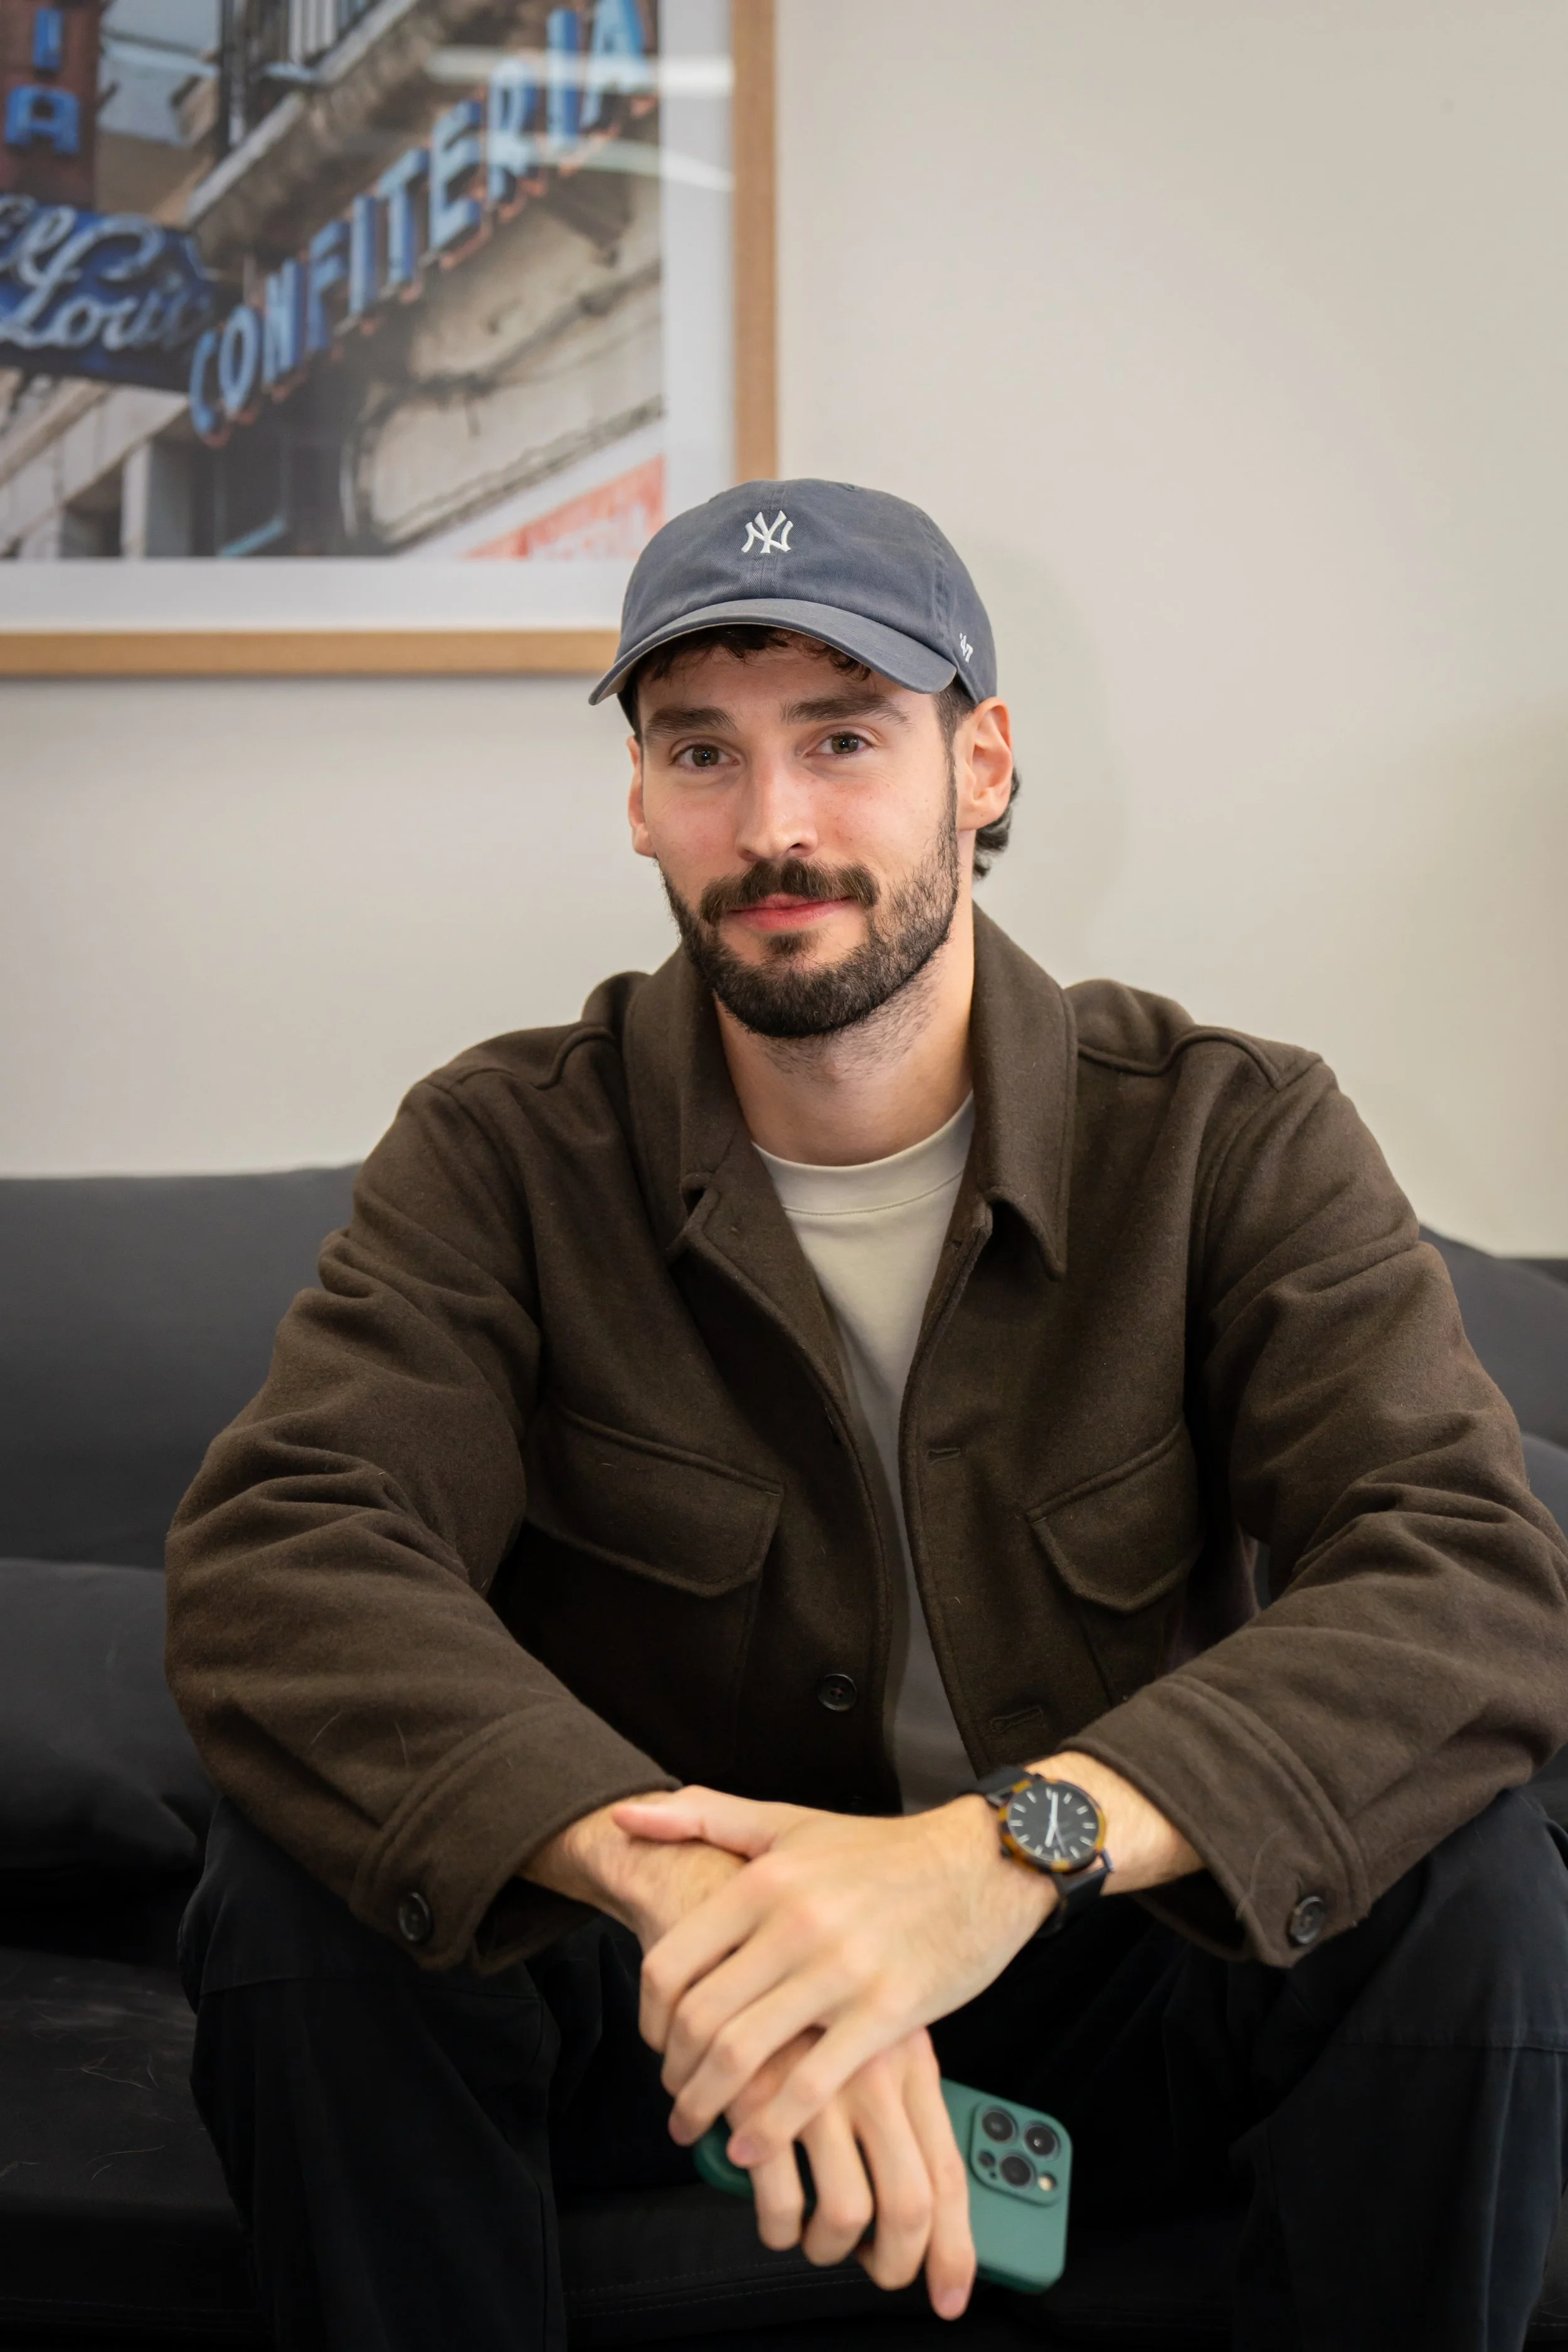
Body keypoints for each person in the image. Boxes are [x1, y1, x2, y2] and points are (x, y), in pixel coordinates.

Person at [167, 479, 1568, 2352]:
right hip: (669, 2000)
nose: (775, 825)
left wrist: (988, 1862)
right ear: (639, 798)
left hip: (1093, 1960)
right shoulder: (500, 1150)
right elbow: (284, 1550)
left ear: (979, 764)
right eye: (703, 751)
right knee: (295, 1889)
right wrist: (688, 1896)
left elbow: (1466, 1571)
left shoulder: (1230, 1133)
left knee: (1466, 1884)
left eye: (842, 738)